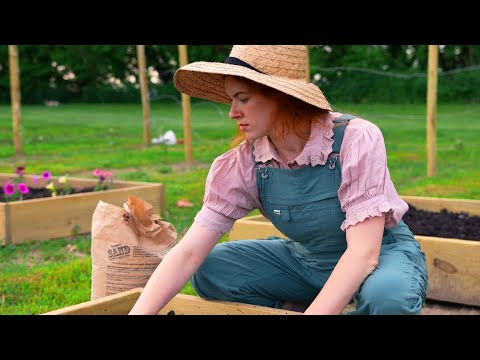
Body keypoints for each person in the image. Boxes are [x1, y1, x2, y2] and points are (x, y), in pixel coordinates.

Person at [129, 45, 428, 315]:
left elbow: (364, 254)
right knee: (209, 267)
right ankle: (300, 306)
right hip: (306, 262)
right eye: (231, 100)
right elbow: (189, 253)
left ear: (282, 97)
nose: (233, 113)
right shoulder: (243, 164)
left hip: (380, 258)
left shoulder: (355, 139)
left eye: (243, 99)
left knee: (388, 299)